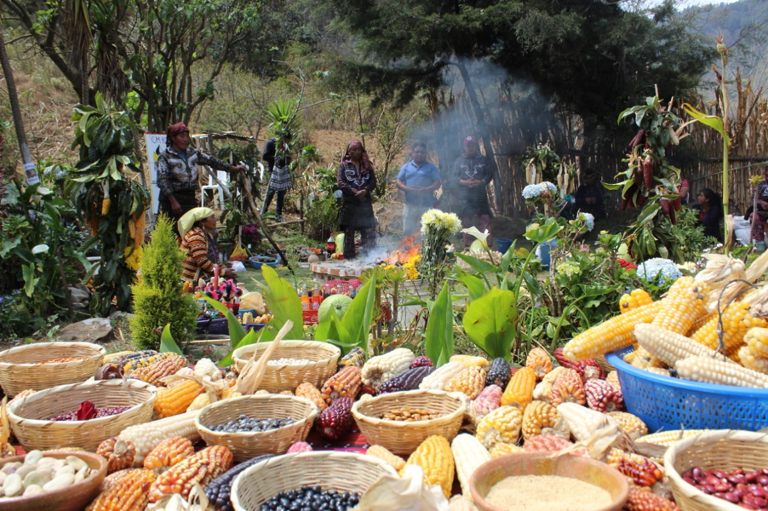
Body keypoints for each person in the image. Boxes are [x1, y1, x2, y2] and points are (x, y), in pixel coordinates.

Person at [157, 123, 245, 228]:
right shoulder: (165, 157)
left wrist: (232, 168)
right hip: (171, 199)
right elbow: (162, 181)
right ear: (172, 138)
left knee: (191, 230)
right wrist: (173, 202)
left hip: (189, 197)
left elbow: (212, 161)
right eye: (181, 136)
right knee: (171, 229)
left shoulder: (193, 153)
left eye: (186, 136)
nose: (185, 140)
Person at [337, 140, 377, 260]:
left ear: (362, 151)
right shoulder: (343, 165)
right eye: (353, 149)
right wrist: (354, 192)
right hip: (350, 203)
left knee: (368, 232)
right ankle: (349, 260)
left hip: (365, 204)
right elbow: (341, 182)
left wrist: (365, 190)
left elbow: (373, 181)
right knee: (349, 232)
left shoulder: (368, 165)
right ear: (349, 151)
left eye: (358, 149)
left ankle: (369, 258)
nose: (356, 152)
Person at [178, 207, 236, 283]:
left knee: (229, 283)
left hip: (204, 271)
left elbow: (216, 259)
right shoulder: (195, 236)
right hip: (193, 277)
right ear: (202, 222)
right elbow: (202, 261)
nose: (215, 220)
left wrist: (223, 268)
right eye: (212, 217)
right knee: (223, 286)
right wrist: (223, 272)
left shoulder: (207, 235)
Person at [455, 136, 494, 248]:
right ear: (464, 147)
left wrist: (481, 181)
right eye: (468, 145)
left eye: (472, 145)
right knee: (466, 219)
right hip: (465, 195)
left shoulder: (484, 160)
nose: (470, 148)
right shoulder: (459, 161)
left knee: (485, 219)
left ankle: (487, 245)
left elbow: (489, 174)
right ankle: (468, 245)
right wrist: (464, 182)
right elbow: (453, 177)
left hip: (480, 194)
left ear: (476, 146)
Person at [396, 141, 442, 235]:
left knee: (427, 231)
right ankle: (408, 249)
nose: (419, 154)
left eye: (422, 152)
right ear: (412, 153)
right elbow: (398, 181)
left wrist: (427, 189)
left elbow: (437, 183)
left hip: (427, 204)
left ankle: (426, 249)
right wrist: (406, 188)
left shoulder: (431, 167)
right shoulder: (406, 167)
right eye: (417, 152)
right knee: (408, 231)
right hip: (410, 204)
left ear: (425, 153)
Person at [261, 131, 292, 222]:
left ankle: (278, 214)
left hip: (282, 171)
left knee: (281, 193)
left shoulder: (284, 146)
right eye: (285, 139)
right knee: (271, 191)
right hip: (273, 171)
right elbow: (265, 156)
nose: (286, 141)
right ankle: (264, 211)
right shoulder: (271, 143)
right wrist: (276, 157)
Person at [748, 165, 768, 251]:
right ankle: (760, 245)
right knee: (754, 217)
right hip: (763, 211)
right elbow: (753, 199)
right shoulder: (762, 184)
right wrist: (761, 202)